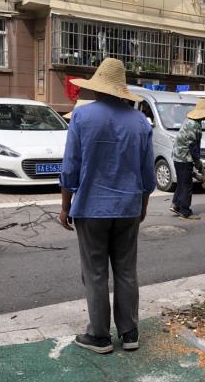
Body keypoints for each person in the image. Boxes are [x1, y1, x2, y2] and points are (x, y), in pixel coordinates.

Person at [59, 58, 156, 354]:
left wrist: (65, 206)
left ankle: (99, 337)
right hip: (128, 208)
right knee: (126, 271)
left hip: (91, 208)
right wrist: (142, 206)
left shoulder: (82, 117)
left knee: (95, 273)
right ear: (121, 90)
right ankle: (129, 333)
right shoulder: (140, 121)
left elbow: (70, 167)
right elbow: (147, 174)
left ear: (98, 88)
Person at [170, 99, 205, 220]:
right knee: (186, 185)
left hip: (178, 156)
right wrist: (199, 166)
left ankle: (176, 205)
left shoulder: (193, 122)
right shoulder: (194, 125)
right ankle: (185, 211)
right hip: (184, 157)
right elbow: (193, 148)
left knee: (182, 182)